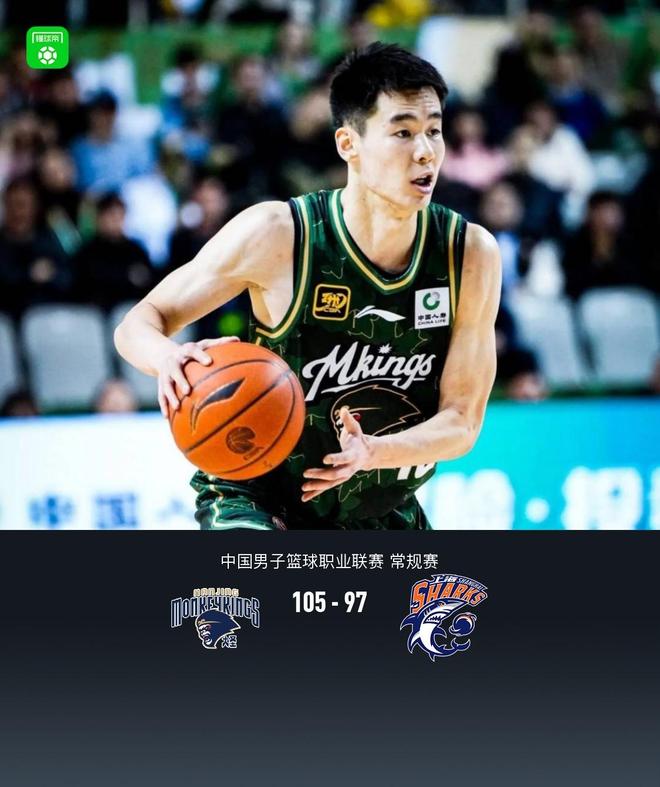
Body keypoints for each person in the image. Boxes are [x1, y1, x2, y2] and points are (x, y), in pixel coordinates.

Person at [114, 43, 501, 531]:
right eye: (403, 132)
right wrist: (168, 359)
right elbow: (136, 325)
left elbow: (462, 421)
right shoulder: (280, 234)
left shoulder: (468, 254)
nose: (425, 151)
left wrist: (374, 451)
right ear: (348, 144)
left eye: (434, 131)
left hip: (377, 509)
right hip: (258, 496)